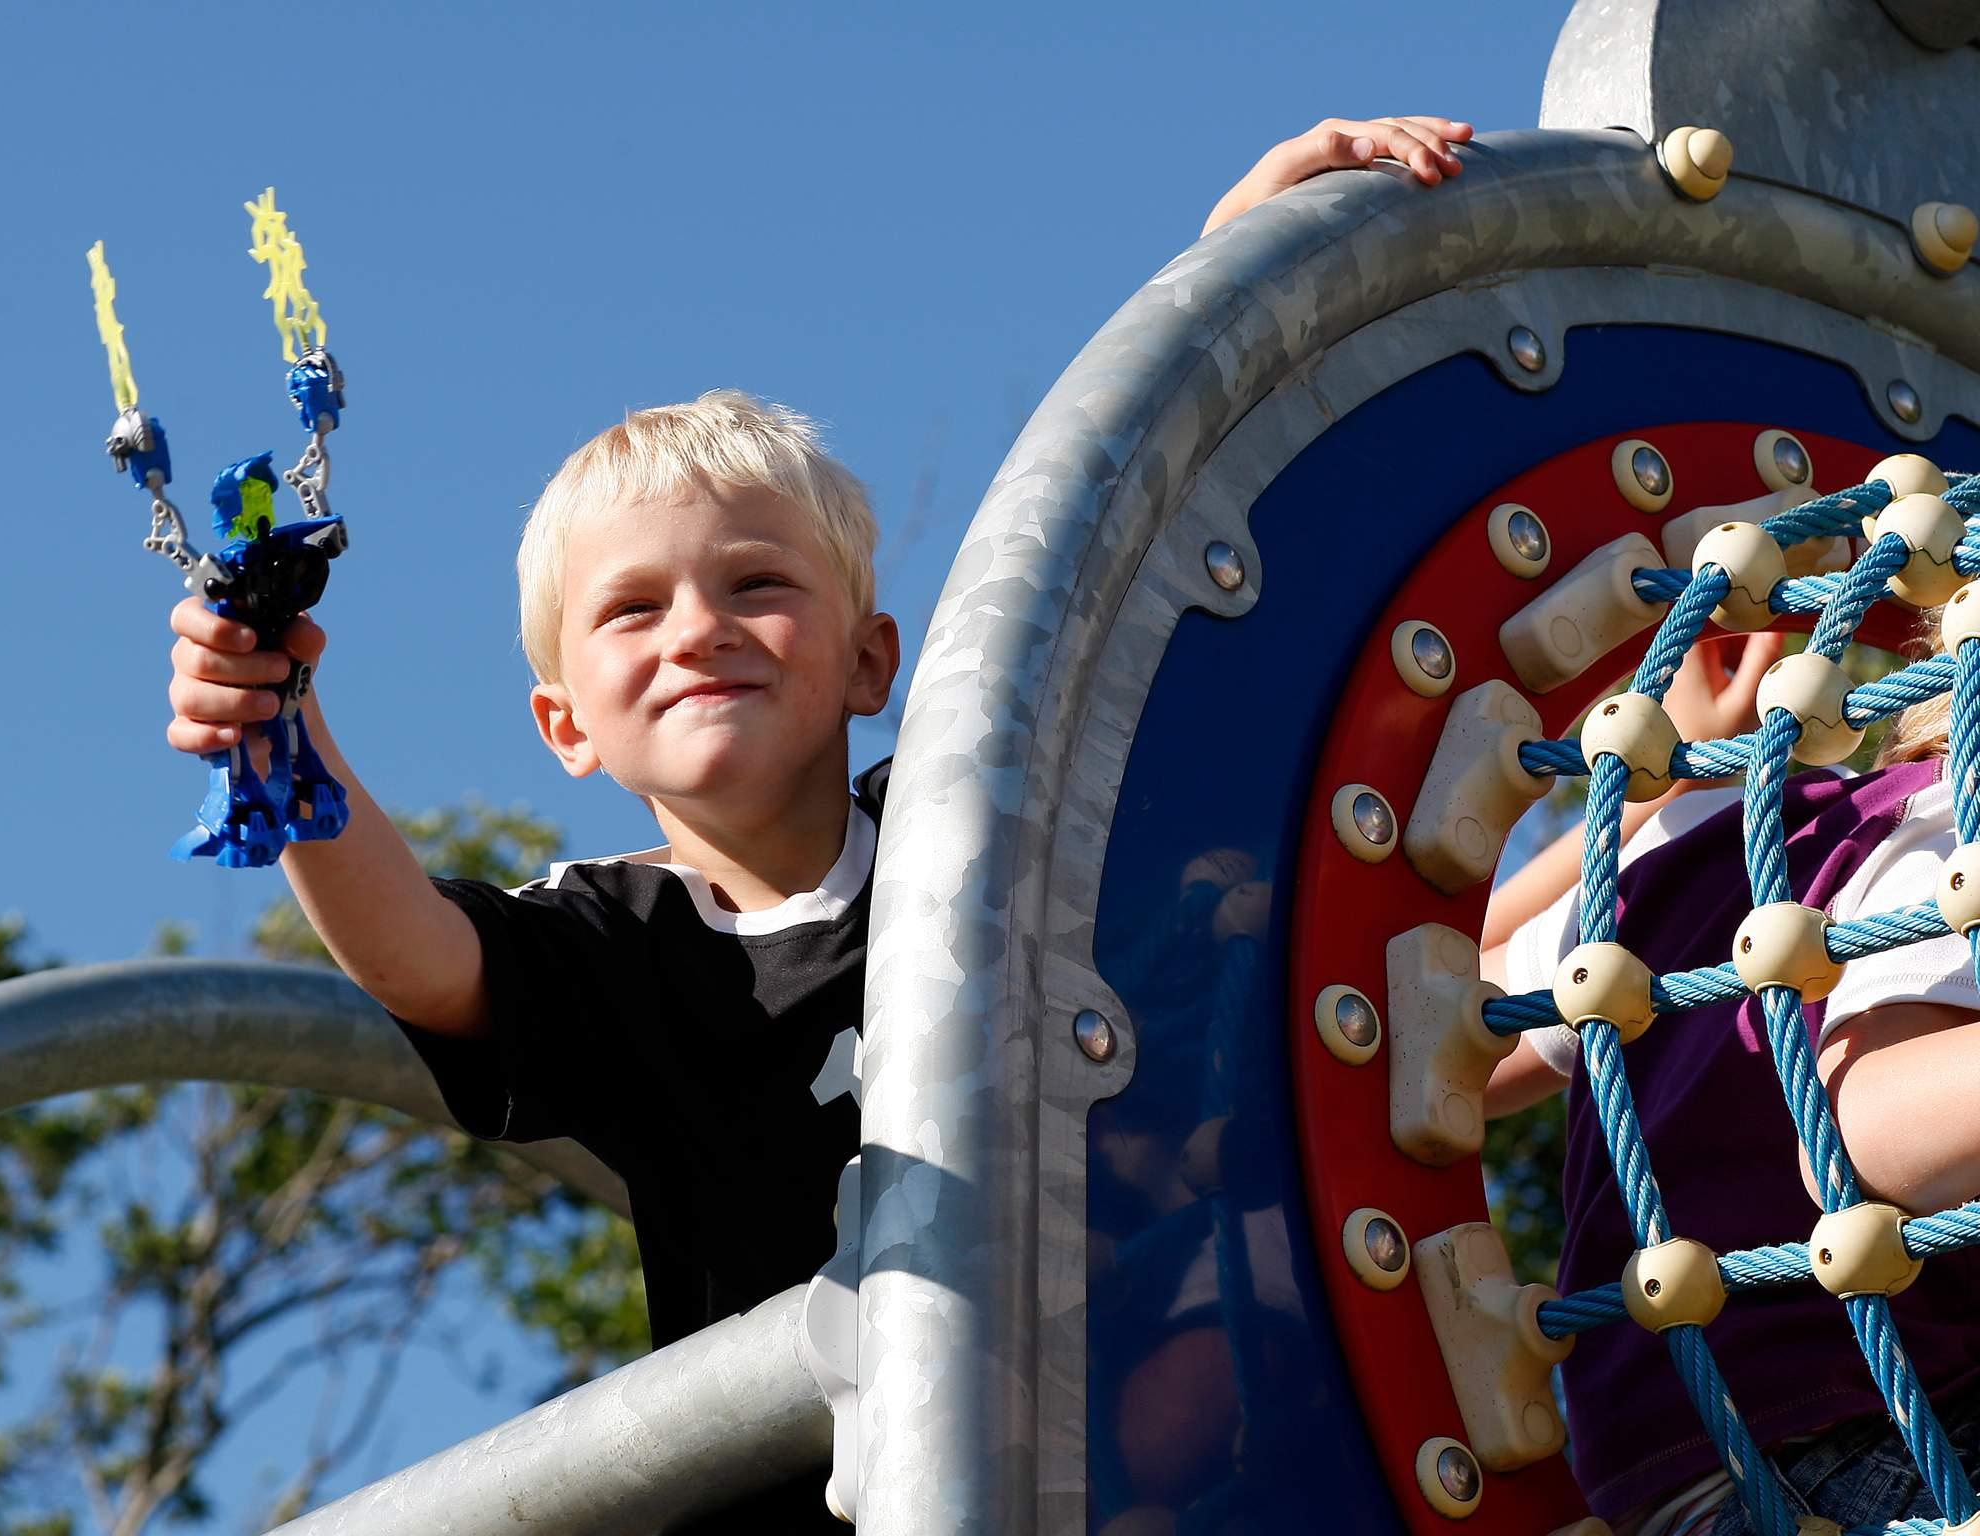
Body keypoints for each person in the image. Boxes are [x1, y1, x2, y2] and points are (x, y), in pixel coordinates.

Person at [163, 118, 1473, 1532]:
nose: (698, 630)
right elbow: (418, 955)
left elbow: (1146, 596)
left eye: (756, 584)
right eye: (632, 610)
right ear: (566, 727)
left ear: (869, 661)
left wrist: (1235, 270)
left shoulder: (986, 828)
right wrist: (279, 734)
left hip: (1137, 1452)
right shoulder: (617, 939)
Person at [1481, 631, 1980, 1536]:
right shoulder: (1955, 835)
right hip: (1872, 1448)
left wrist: (1658, 788)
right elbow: (1868, 1127)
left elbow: (1447, 1030)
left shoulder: (1708, 843)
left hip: (1675, 1475)